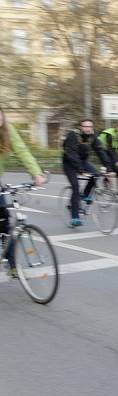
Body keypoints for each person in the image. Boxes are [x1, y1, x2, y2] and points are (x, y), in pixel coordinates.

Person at [0, 107, 46, 275]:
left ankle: (12, 265)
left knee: (5, 221)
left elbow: (22, 151)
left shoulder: (7, 130)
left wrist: (36, 173)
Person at [62, 118, 113, 227]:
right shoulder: (73, 136)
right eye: (85, 126)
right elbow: (72, 154)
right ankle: (75, 217)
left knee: (96, 175)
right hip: (69, 163)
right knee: (75, 187)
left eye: (90, 127)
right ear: (81, 127)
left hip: (83, 162)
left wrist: (108, 168)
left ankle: (85, 195)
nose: (88, 129)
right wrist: (80, 170)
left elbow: (101, 151)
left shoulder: (92, 137)